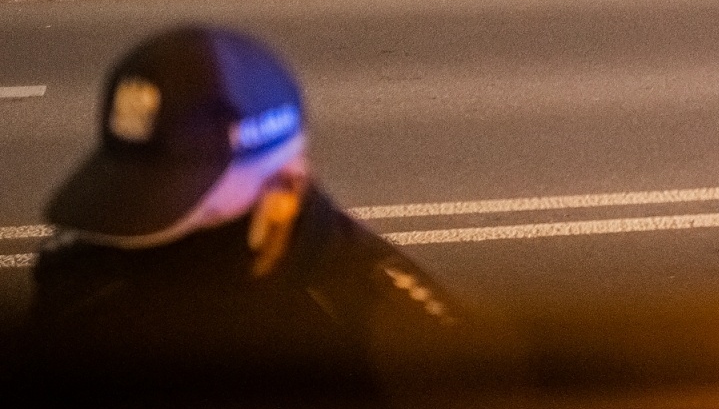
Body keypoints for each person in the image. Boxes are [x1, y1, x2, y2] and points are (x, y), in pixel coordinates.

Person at [29, 26, 456, 381]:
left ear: (285, 176)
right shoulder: (78, 275)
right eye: (129, 179)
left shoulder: (378, 314)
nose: (127, 218)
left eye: (172, 184)